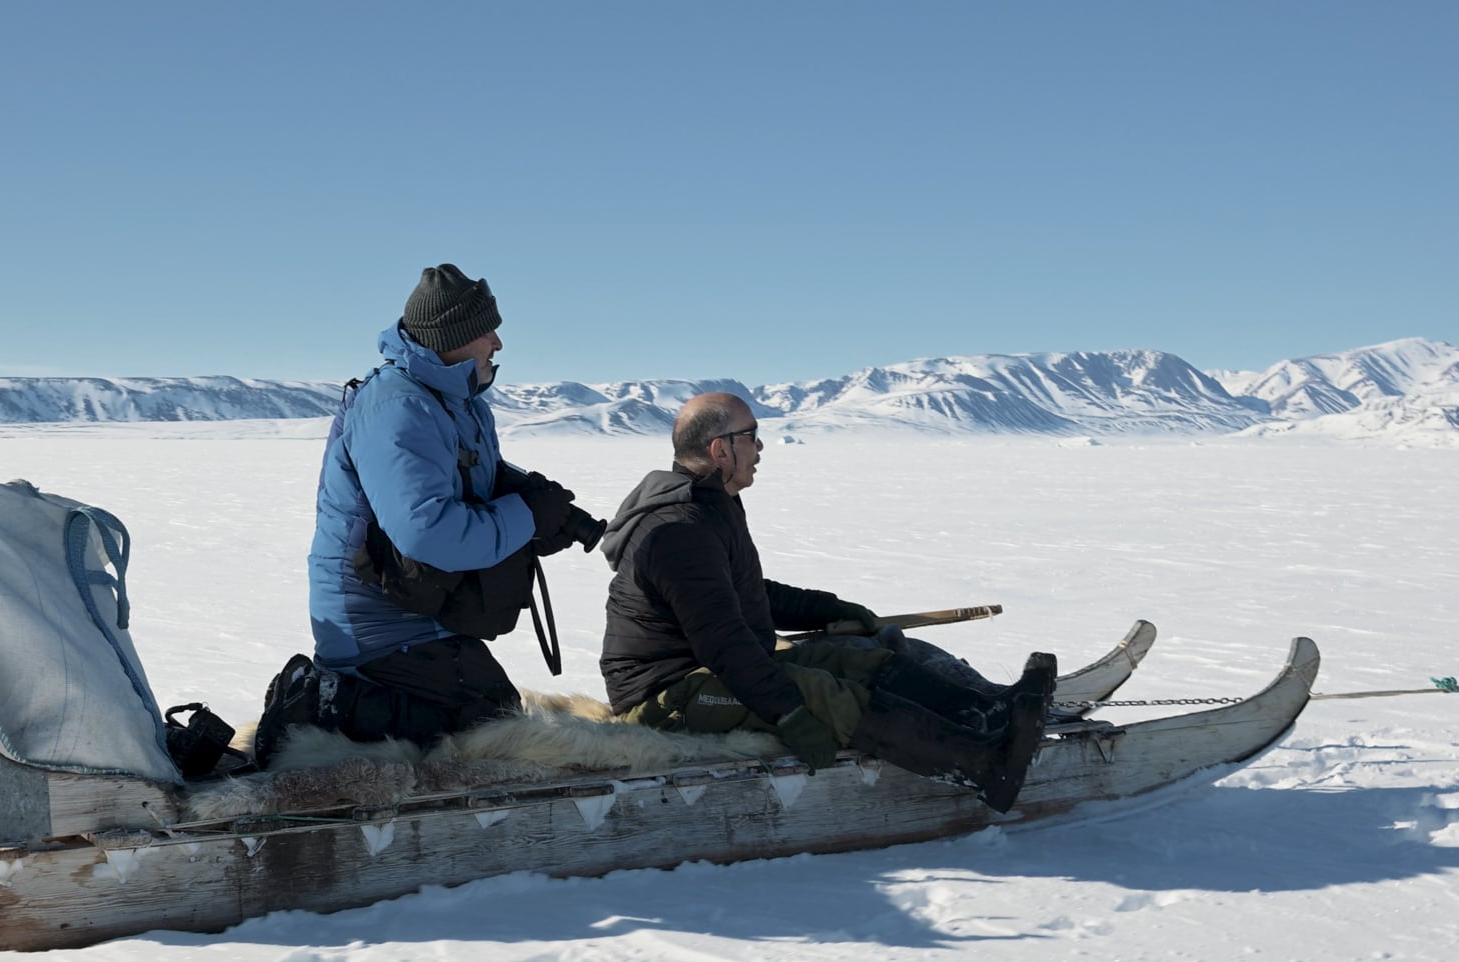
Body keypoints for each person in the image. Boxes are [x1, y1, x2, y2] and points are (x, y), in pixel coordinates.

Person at [598, 392, 1054, 812]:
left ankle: (989, 714)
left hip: (712, 669)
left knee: (862, 661)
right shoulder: (680, 529)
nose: (760, 447)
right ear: (721, 450)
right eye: (751, 435)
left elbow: (749, 593)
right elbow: (723, 641)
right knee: (822, 695)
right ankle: (986, 767)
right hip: (665, 697)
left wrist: (833, 609)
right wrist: (790, 714)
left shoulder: (713, 504)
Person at [300, 263, 595, 748]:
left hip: (420, 610)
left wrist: (540, 509)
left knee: (498, 718)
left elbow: (472, 477)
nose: (497, 342)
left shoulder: (459, 402)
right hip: (378, 629)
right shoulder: (398, 405)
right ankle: (330, 703)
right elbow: (427, 531)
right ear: (451, 337)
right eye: (485, 331)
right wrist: (525, 517)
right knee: (492, 732)